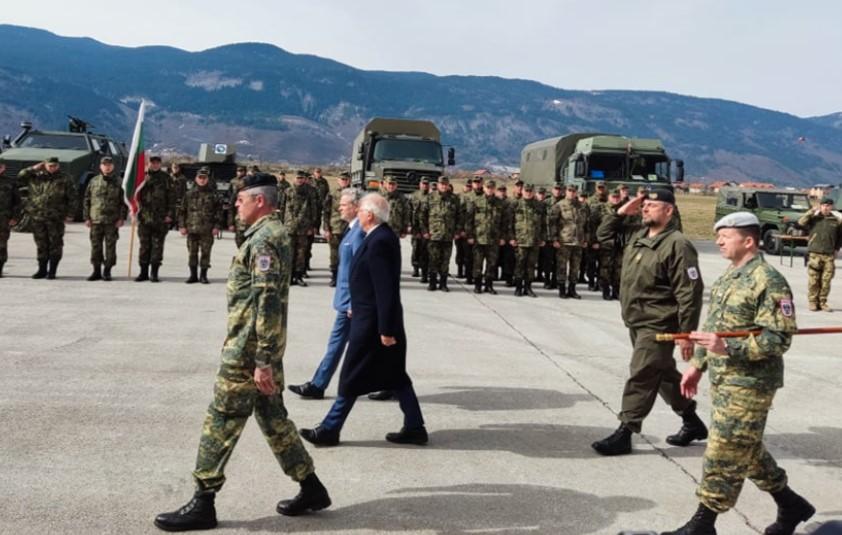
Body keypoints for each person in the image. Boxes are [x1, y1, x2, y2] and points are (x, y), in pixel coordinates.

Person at [154, 173, 330, 532]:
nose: (236, 204)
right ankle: (311, 487)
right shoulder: (269, 234)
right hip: (258, 346)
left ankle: (203, 501)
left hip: (250, 352)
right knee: (273, 418)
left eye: (241, 200)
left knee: (220, 420)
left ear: (259, 201)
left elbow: (266, 302)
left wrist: (262, 360)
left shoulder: (265, 239)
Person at [662, 212, 814, 535]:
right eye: (717, 235)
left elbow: (779, 338)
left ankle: (704, 523)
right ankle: (791, 504)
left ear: (748, 241)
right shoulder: (729, 277)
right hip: (724, 380)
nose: (718, 240)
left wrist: (729, 349)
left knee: (722, 449)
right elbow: (714, 329)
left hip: (751, 384)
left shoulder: (769, 280)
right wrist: (697, 366)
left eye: (725, 236)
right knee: (746, 449)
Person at [299, 193, 427, 447]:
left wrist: (386, 329)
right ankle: (414, 427)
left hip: (374, 325)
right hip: (372, 319)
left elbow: (385, 289)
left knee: (351, 375)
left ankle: (329, 429)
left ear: (369, 214)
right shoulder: (377, 237)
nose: (357, 214)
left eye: (360, 211)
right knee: (396, 376)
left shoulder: (380, 240)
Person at [592, 189, 707, 456]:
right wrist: (620, 211)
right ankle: (692, 422)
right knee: (663, 374)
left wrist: (685, 333)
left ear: (669, 211)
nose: (645, 209)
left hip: (659, 324)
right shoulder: (639, 237)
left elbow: (689, 292)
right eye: (644, 205)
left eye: (652, 205)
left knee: (642, 374)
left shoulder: (678, 244)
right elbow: (603, 236)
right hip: (636, 319)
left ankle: (626, 431)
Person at [289, 188, 365, 400]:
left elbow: (360, 270)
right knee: (365, 344)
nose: (339, 207)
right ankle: (318, 384)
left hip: (352, 303)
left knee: (351, 344)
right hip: (347, 301)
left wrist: (354, 301)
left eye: (344, 204)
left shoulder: (359, 233)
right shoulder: (352, 229)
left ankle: (318, 385)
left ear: (356, 206)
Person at [18, 156, 77, 279]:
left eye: (54, 166)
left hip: (56, 217)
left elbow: (72, 197)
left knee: (55, 243)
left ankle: (52, 271)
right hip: (37, 216)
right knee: (41, 244)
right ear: (44, 165)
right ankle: (42, 270)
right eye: (50, 165)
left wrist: (70, 214)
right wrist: (32, 168)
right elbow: (20, 177)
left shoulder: (65, 178)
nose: (52, 168)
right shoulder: (36, 176)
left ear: (58, 166)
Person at [83, 156, 127, 281]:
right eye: (104, 164)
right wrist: (86, 217)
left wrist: (122, 217)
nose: (107, 167)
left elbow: (123, 202)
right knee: (96, 246)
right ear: (100, 166)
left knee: (110, 247)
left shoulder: (119, 182)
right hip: (95, 220)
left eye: (109, 164)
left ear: (113, 166)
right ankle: (96, 271)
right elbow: (87, 200)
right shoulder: (94, 181)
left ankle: (107, 271)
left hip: (112, 221)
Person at [797, 197, 842, 311]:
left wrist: (837, 249)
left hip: (829, 255)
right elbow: (800, 222)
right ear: (820, 206)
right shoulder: (814, 218)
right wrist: (812, 211)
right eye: (824, 205)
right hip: (814, 254)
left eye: (828, 206)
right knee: (814, 280)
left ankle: (822, 302)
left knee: (826, 281)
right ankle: (812, 302)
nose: (826, 208)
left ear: (831, 207)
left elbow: (840, 237)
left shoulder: (836, 220)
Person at [179, 168, 223, 284]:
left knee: (206, 253)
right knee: (192, 253)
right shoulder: (189, 194)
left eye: (204, 178)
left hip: (207, 230)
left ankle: (203, 276)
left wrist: (217, 226)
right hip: (192, 229)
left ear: (208, 179)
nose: (202, 180)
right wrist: (182, 226)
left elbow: (219, 212)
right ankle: (193, 275)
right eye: (200, 178)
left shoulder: (214, 194)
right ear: (196, 179)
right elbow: (182, 211)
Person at [135, 156, 175, 282]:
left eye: (157, 163)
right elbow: (134, 195)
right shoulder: (141, 177)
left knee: (157, 247)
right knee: (144, 247)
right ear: (148, 163)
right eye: (153, 163)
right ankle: (143, 273)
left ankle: (154, 273)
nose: (155, 165)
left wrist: (170, 215)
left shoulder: (166, 178)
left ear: (160, 164)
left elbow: (172, 199)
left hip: (160, 219)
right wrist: (143, 183)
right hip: (144, 218)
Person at [420, 176, 459, 292]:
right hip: (434, 234)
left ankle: (443, 283)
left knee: (445, 261)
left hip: (448, 235)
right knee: (433, 259)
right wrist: (425, 231)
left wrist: (457, 231)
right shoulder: (430, 198)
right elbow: (422, 216)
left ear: (448, 186)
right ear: (437, 185)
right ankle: (432, 283)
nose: (444, 186)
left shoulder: (454, 199)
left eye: (445, 184)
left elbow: (460, 217)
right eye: (441, 184)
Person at [464, 180, 504, 294]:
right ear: (484, 188)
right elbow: (469, 220)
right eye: (488, 187)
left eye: (492, 187)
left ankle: (489, 285)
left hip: (494, 239)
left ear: (494, 189)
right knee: (477, 263)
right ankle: (477, 285)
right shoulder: (476, 201)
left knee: (491, 264)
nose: (490, 189)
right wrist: (470, 235)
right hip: (479, 238)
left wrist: (502, 237)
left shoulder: (499, 203)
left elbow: (504, 222)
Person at [549, 185, 587, 299]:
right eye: (569, 191)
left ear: (576, 193)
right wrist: (554, 239)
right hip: (564, 241)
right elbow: (552, 223)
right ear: (566, 191)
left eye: (574, 191)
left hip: (578, 241)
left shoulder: (582, 206)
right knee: (562, 266)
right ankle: (561, 289)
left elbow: (587, 224)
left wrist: (586, 239)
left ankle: (572, 289)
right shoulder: (559, 205)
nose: (571, 193)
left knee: (575, 267)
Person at [284, 170, 319, 286]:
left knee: (301, 253)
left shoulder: (310, 192)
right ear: (294, 178)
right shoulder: (288, 191)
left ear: (305, 179)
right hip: (289, 226)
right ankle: (289, 276)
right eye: (298, 178)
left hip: (304, 226)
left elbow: (314, 209)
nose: (300, 180)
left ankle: (298, 276)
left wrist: (313, 226)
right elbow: (282, 208)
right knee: (289, 252)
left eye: (302, 178)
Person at [510, 184, 545, 297]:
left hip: (534, 240)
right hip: (520, 241)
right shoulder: (515, 204)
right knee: (520, 264)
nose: (528, 193)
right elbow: (509, 223)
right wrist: (511, 238)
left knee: (531, 265)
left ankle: (528, 288)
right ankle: (518, 287)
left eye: (530, 191)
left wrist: (543, 238)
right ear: (523, 191)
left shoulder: (539, 205)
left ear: (534, 192)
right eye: (526, 191)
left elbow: (544, 224)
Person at [322, 172, 352, 287]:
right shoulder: (332, 193)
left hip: (349, 228)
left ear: (349, 181)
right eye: (342, 179)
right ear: (338, 180)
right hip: (335, 227)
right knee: (334, 254)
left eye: (346, 179)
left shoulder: (354, 193)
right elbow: (326, 211)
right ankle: (334, 276)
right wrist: (326, 229)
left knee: (348, 254)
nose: (344, 181)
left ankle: (346, 277)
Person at [0, 157, 22, 277]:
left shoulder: (10, 182)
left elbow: (17, 202)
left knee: (2, 244)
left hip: (4, 218)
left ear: (3, 168)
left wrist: (15, 217)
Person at [409, 178, 431, 280]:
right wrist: (411, 226)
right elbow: (409, 212)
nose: (425, 186)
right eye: (423, 184)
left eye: (427, 184)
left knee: (426, 251)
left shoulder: (432, 197)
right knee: (415, 249)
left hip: (427, 228)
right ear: (420, 184)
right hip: (416, 227)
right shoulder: (414, 196)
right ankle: (415, 268)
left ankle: (424, 272)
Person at [227, 166, 249, 248]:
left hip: (249, 219)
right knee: (239, 241)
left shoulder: (249, 181)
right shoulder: (233, 181)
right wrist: (230, 223)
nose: (239, 172)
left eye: (241, 171)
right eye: (238, 171)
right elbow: (231, 206)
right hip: (239, 216)